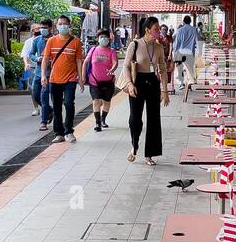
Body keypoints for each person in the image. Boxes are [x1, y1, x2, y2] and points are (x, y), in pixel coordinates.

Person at [122, 15, 169, 165]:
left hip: (153, 83)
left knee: (154, 119)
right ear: (148, 30)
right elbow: (126, 66)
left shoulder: (159, 47)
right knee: (135, 119)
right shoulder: (134, 44)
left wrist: (165, 91)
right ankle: (134, 146)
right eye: (156, 29)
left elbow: (162, 70)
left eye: (159, 29)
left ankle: (150, 154)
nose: (159, 32)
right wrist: (130, 84)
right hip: (137, 83)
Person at [42, 15, 84, 143]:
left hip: (70, 79)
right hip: (54, 79)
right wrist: (43, 75)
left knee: (69, 104)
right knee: (57, 107)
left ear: (69, 25)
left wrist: (81, 78)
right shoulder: (51, 41)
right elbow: (45, 58)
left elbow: (78, 61)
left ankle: (69, 131)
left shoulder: (76, 42)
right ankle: (59, 133)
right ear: (56, 26)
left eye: (65, 24)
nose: (62, 26)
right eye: (60, 24)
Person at [83, 28, 118, 131]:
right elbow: (85, 62)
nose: (103, 39)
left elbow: (115, 63)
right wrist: (83, 76)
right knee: (96, 101)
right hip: (94, 81)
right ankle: (98, 123)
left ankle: (103, 120)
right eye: (101, 37)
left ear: (109, 39)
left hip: (108, 82)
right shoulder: (93, 50)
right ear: (98, 39)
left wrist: (112, 69)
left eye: (106, 37)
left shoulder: (112, 51)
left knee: (107, 102)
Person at [31, 18, 54, 129]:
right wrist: (37, 58)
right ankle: (49, 110)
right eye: (41, 28)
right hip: (38, 72)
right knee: (36, 96)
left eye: (45, 28)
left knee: (44, 96)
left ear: (50, 28)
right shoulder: (37, 40)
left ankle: (43, 122)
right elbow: (31, 54)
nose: (42, 30)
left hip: (49, 73)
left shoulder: (54, 40)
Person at [172, 14, 200, 94]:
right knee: (189, 69)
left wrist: (175, 52)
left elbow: (177, 42)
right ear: (190, 22)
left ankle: (181, 84)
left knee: (180, 68)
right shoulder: (194, 30)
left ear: (183, 22)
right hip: (190, 52)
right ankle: (189, 85)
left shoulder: (179, 30)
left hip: (180, 52)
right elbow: (197, 41)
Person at [21, 24, 40, 110]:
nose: (39, 30)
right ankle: (36, 108)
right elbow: (25, 54)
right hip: (33, 67)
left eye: (40, 28)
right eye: (37, 29)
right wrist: (26, 64)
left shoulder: (45, 40)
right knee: (32, 89)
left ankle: (46, 108)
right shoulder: (28, 42)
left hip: (43, 67)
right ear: (32, 31)